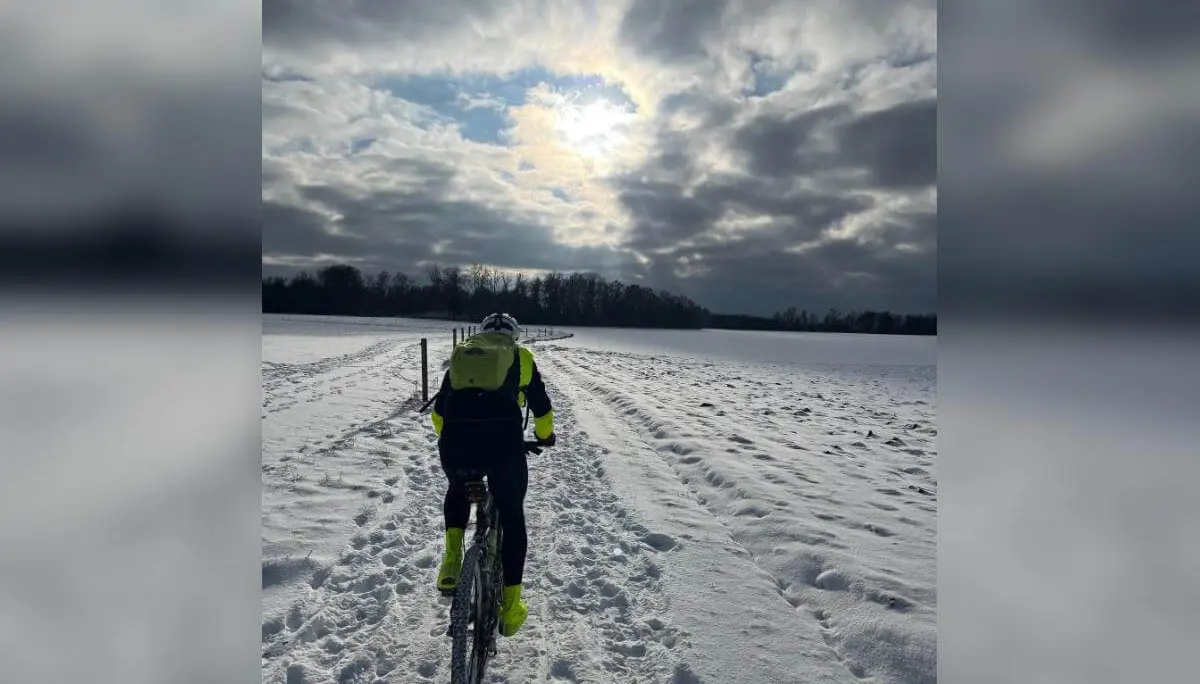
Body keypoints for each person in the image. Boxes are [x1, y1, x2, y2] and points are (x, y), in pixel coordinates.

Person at [429, 312, 555, 637]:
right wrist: (545, 437)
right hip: (503, 445)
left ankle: (451, 563)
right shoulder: (521, 357)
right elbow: (541, 407)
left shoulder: (464, 356)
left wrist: (452, 440)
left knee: (457, 488)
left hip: (456, 443)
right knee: (511, 519)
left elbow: (439, 413)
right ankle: (510, 609)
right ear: (514, 336)